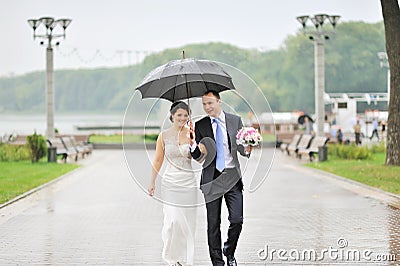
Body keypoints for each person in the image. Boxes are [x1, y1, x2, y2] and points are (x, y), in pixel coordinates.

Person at [189, 90, 251, 266]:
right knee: (213, 224)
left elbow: (240, 148)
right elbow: (198, 157)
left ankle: (229, 251)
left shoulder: (234, 120)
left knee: (237, 220)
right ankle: (217, 262)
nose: (207, 107)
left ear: (219, 102)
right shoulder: (200, 126)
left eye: (210, 103)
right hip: (211, 179)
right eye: (204, 104)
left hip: (232, 177)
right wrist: (192, 144)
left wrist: (247, 149)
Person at [148, 101, 198, 266]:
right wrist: (152, 181)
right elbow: (158, 160)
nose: (182, 118)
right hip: (170, 183)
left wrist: (194, 142)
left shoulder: (192, 134)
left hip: (188, 183)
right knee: (173, 221)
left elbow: (200, 157)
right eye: (179, 115)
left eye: (185, 115)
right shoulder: (164, 136)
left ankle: (184, 258)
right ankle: (172, 257)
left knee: (187, 223)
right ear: (172, 116)